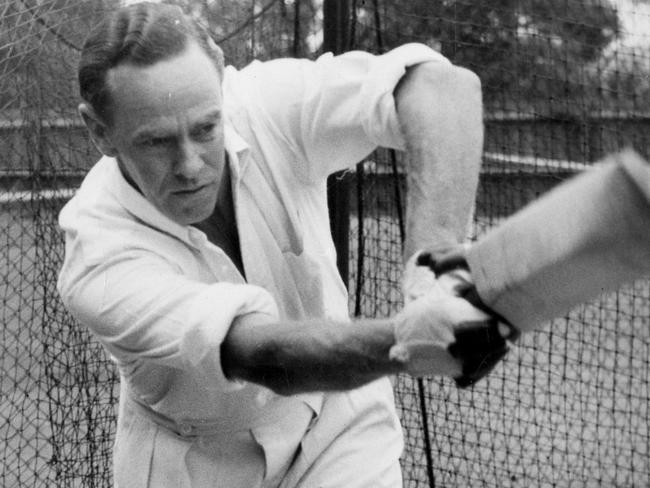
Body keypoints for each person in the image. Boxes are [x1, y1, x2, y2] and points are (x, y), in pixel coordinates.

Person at [57, 2, 506, 486]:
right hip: (193, 462)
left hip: (340, 428)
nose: (190, 165)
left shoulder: (260, 102)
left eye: (207, 128)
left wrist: (432, 267)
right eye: (155, 142)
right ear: (100, 131)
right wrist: (405, 338)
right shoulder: (96, 253)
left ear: (221, 88)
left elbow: (444, 88)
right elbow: (266, 357)